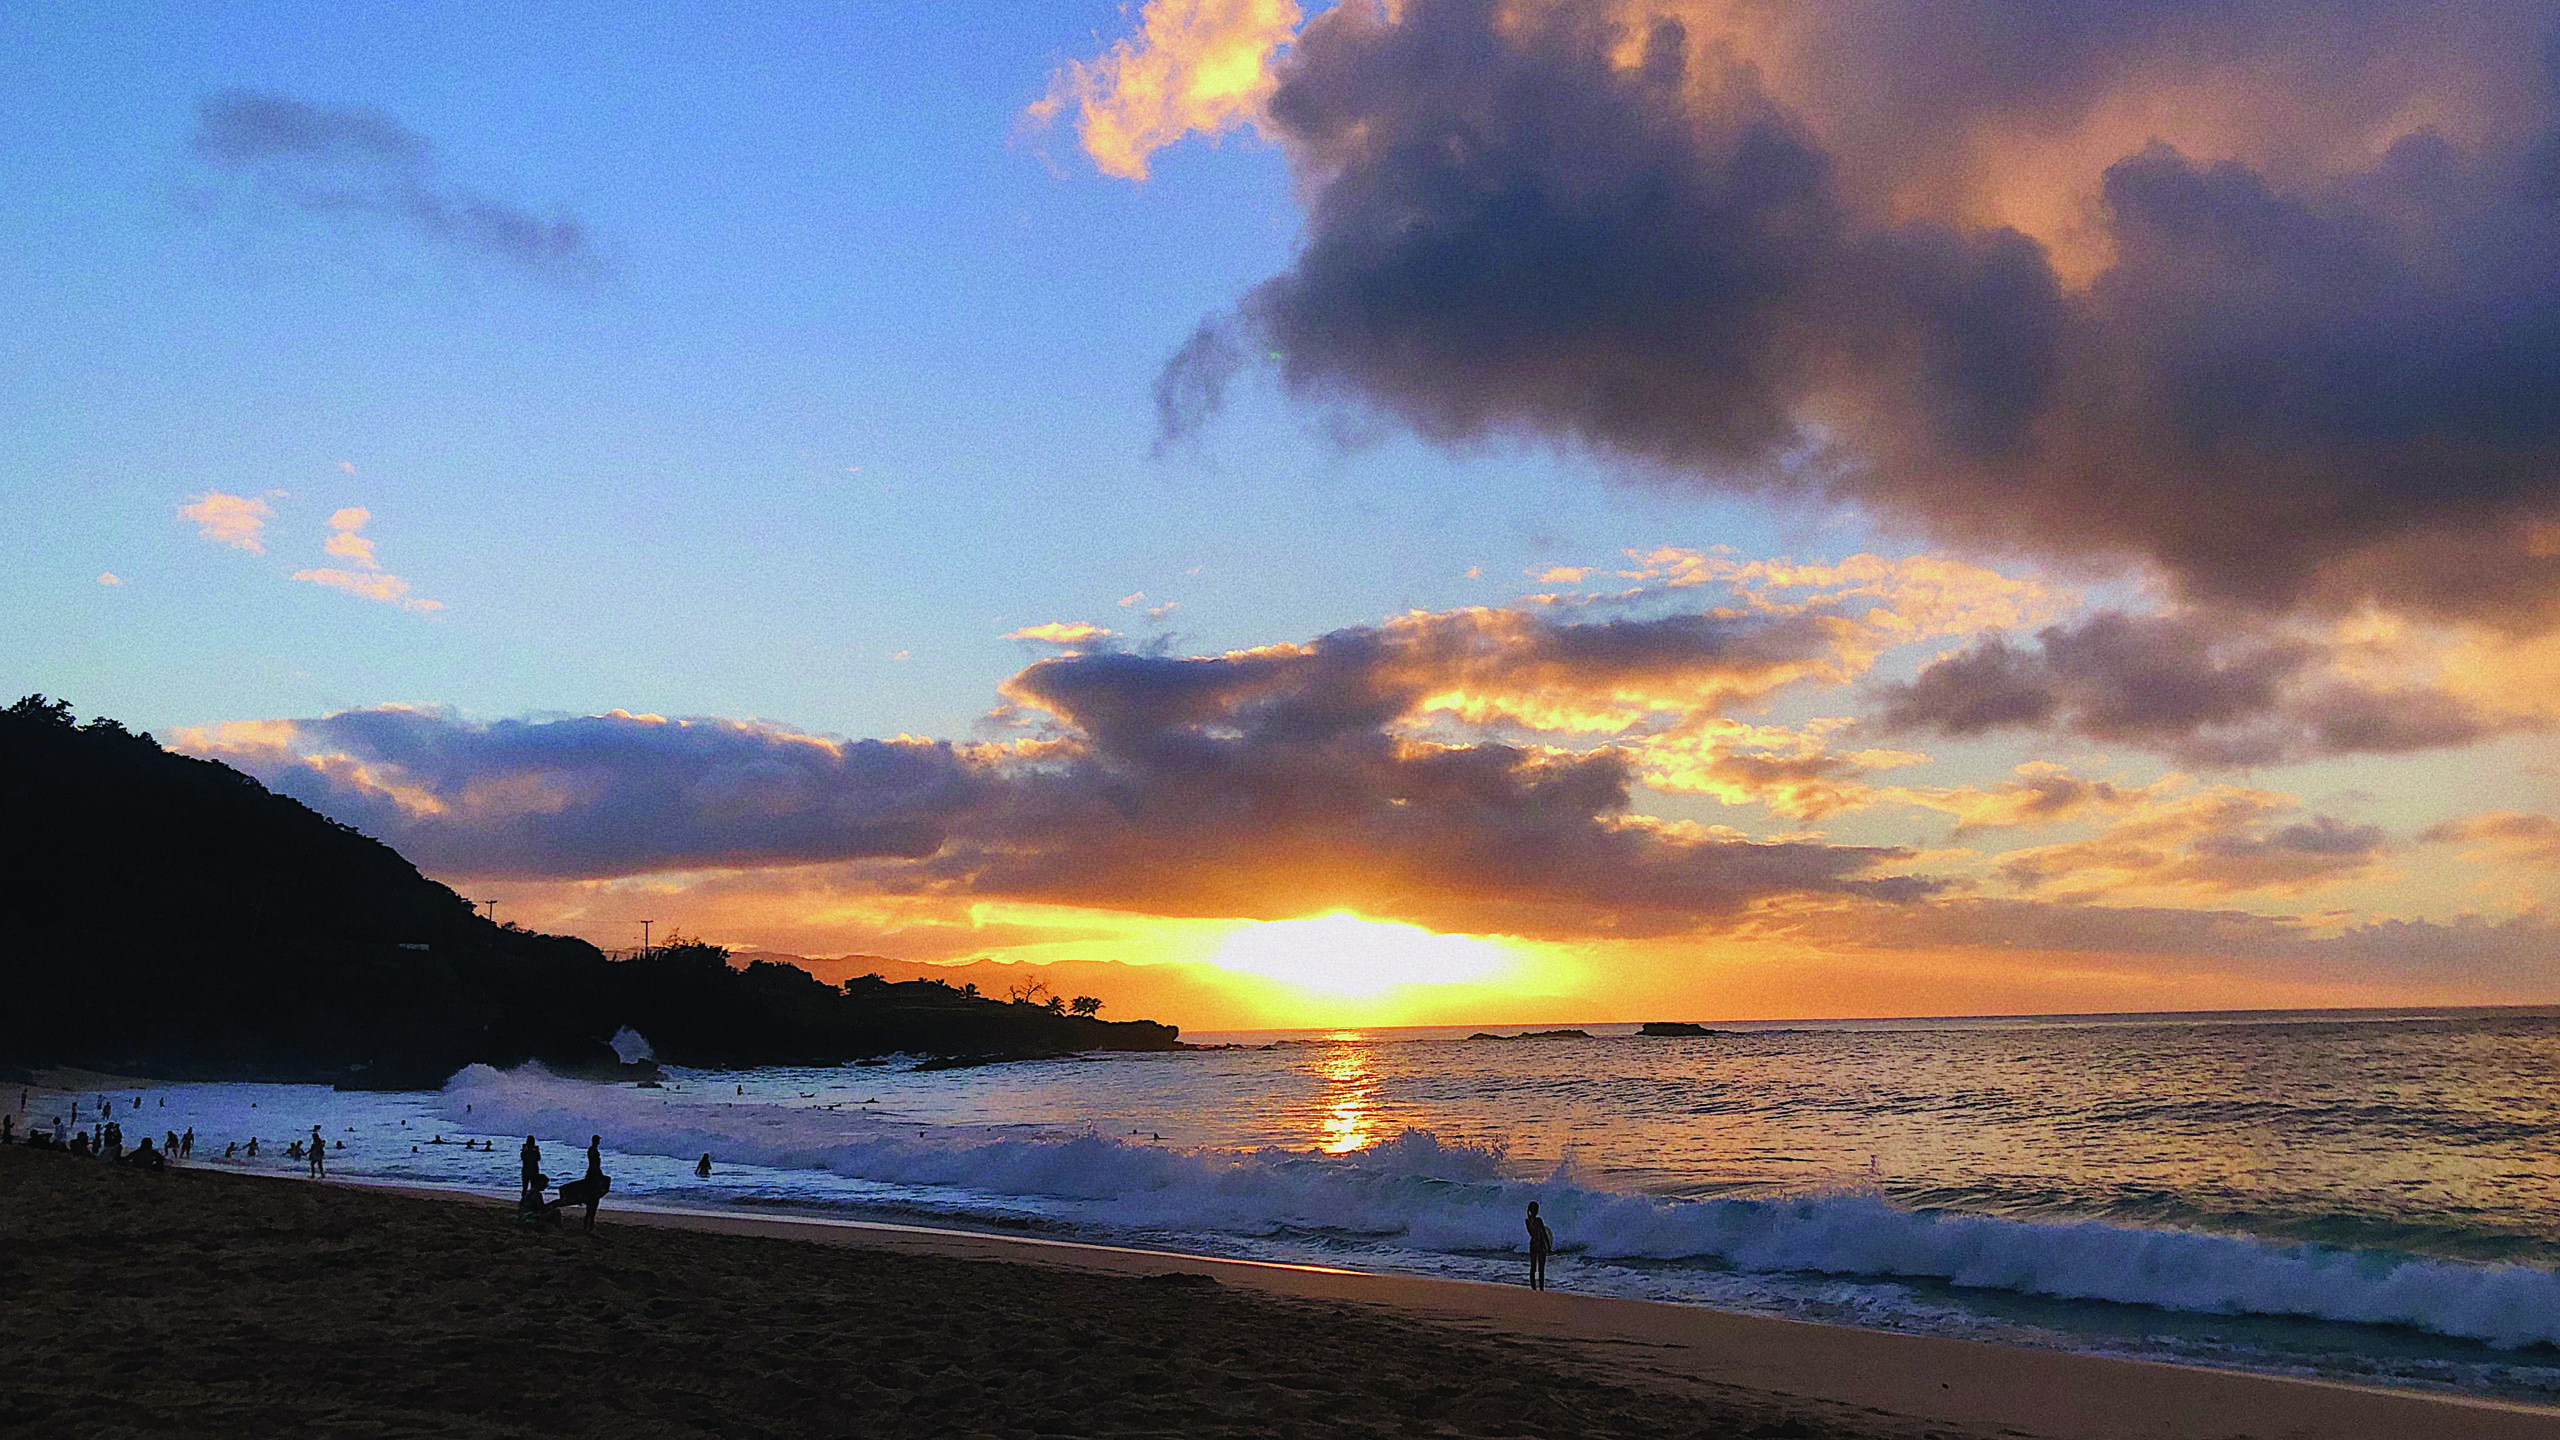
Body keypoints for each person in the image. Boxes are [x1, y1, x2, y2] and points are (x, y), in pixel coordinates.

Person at [1524, 1201, 1553, 1291]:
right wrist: (1548, 1246)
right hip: (1540, 1244)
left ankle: (1533, 1288)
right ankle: (1541, 1288)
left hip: (1533, 1244)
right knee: (1541, 1268)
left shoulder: (1527, 1221)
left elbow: (1531, 1233)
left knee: (1533, 1268)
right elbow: (1543, 1234)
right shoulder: (1539, 1220)